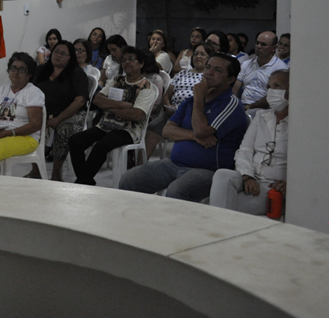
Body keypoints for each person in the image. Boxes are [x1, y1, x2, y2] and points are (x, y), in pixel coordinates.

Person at [119, 52, 247, 202]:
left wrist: (199, 98)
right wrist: (193, 136)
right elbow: (167, 131)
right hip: (174, 163)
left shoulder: (230, 104)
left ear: (230, 79)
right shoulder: (191, 101)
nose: (209, 73)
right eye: (208, 67)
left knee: (177, 191)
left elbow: (200, 131)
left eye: (217, 70)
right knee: (129, 180)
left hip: (208, 170)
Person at [68, 47, 156, 186]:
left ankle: (81, 182)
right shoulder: (116, 80)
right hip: (106, 124)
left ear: (141, 63)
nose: (127, 62)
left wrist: (109, 106)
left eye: (132, 59)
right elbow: (97, 100)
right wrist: (122, 105)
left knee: (101, 145)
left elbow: (137, 115)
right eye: (124, 60)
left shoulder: (146, 86)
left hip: (129, 129)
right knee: (75, 141)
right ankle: (86, 181)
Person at [210, 70, 289, 214]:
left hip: (273, 185)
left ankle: (217, 220)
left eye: (277, 86)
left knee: (224, 206)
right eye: (269, 87)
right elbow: (245, 149)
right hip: (249, 176)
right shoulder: (261, 116)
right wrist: (247, 176)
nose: (271, 91)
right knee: (222, 175)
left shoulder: (301, 125)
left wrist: (289, 183)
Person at [31, 41, 89, 181]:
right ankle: (35, 170)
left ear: (70, 57)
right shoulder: (42, 70)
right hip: (45, 113)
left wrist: (58, 119)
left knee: (64, 128)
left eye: (63, 54)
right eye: (56, 52)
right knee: (31, 124)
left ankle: (56, 174)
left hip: (71, 114)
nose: (58, 56)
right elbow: (30, 92)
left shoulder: (76, 73)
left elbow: (79, 101)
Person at [146, 42, 214, 158]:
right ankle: (140, 163)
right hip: (174, 112)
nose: (198, 57)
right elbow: (167, 95)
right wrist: (168, 106)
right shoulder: (182, 74)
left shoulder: (209, 77)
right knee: (152, 127)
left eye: (202, 54)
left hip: (195, 114)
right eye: (196, 54)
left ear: (209, 58)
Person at [233, 31, 288, 112]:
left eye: (263, 44)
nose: (258, 46)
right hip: (243, 105)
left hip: (265, 109)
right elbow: (235, 88)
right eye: (257, 43)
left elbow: (273, 96)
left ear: (274, 48)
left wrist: (248, 107)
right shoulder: (246, 64)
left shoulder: (280, 69)